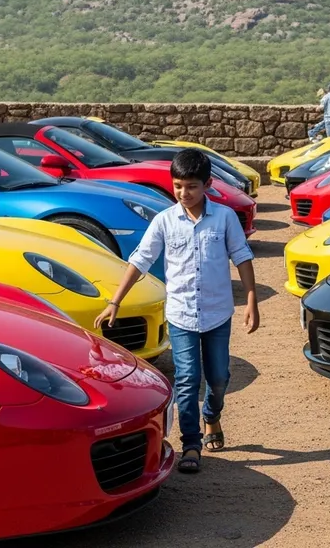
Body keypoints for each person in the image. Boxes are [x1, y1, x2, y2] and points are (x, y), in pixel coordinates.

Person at [94, 148, 259, 474]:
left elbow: (242, 258)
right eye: (179, 186)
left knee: (219, 377)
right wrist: (115, 301)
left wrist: (252, 300)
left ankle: (212, 416)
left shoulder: (224, 218)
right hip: (181, 315)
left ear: (208, 184)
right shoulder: (165, 221)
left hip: (217, 314)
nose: (185, 193)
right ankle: (191, 444)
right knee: (186, 380)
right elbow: (139, 261)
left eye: (192, 186)